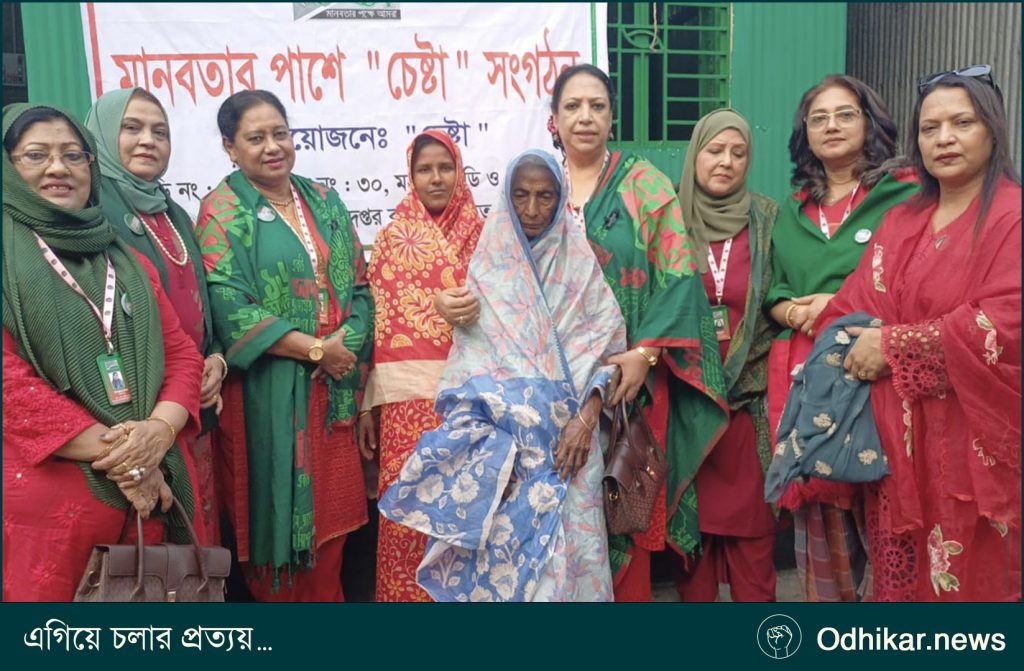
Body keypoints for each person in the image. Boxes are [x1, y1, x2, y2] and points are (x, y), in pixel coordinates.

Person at [380, 150, 627, 601]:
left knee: (576, 564)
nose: (532, 209)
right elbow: (470, 366)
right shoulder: (489, 269)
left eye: (545, 196)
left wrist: (586, 419)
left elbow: (610, 355)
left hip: (573, 450)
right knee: (515, 577)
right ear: (506, 198)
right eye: (521, 195)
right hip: (511, 459)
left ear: (560, 199)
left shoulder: (580, 267)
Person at [815, 66, 1020, 601]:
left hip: (973, 452)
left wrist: (895, 345)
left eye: (962, 123)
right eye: (930, 128)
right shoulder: (903, 219)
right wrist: (847, 338)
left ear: (993, 129)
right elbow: (852, 305)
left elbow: (1008, 320)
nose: (944, 138)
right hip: (898, 451)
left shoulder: (1012, 217)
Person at [2, 103, 204, 601]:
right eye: (36, 155)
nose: (58, 168)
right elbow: (9, 384)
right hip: (52, 517)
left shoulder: (125, 259)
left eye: (74, 155)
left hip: (151, 504)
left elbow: (182, 355)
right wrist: (133, 461)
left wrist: (158, 433)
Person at [548, 64, 728, 601]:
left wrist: (645, 354)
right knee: (553, 536)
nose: (585, 117)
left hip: (628, 387)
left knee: (621, 516)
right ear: (553, 119)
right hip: (550, 390)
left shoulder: (643, 184)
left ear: (612, 117)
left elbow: (679, 275)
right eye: (572, 106)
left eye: (597, 106)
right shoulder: (537, 183)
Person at [196, 90, 371, 601]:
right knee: (274, 544)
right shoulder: (223, 212)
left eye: (280, 134)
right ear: (230, 148)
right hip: (265, 401)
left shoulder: (324, 200)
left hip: (331, 397)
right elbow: (228, 306)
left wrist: (343, 346)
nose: (272, 147)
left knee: (331, 536)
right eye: (256, 138)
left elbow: (361, 288)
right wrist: (315, 350)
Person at [764, 75, 919, 602]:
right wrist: (794, 310)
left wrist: (832, 306)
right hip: (814, 385)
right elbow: (774, 290)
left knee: (891, 530)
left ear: (870, 122)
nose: (831, 125)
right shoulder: (793, 210)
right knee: (825, 542)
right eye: (818, 118)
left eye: (845, 114)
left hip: (881, 380)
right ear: (804, 134)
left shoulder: (905, 196)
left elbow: (917, 285)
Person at [85, 87, 226, 543]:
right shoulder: (90, 208)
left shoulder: (174, 213)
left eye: (159, 132)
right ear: (101, 135)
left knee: (195, 551)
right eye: (132, 128)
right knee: (146, 555)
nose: (148, 140)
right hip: (133, 413)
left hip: (189, 404)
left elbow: (201, 304)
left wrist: (215, 360)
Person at [358, 130, 484, 602]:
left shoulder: (488, 238)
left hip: (474, 404)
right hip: (406, 409)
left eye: (445, 168)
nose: (436, 178)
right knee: (407, 515)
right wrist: (367, 407)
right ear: (410, 176)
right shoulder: (392, 239)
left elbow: (511, 307)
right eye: (424, 169)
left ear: (460, 172)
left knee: (468, 516)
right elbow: (378, 327)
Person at [673, 109, 780, 601]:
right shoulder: (669, 219)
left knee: (754, 552)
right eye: (715, 150)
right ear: (696, 154)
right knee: (691, 556)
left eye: (739, 153)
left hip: (746, 411)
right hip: (688, 412)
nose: (726, 162)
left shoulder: (767, 220)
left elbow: (781, 296)